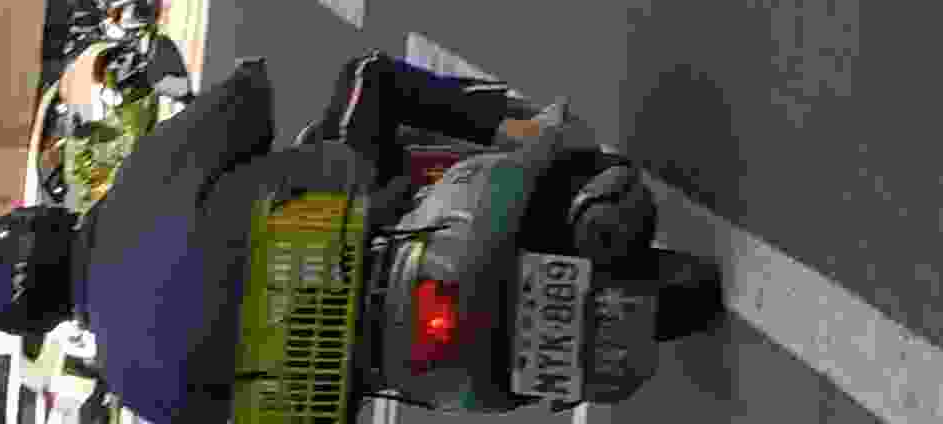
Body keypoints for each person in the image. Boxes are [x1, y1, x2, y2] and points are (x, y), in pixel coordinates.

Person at [63, 53, 721, 424]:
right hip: (365, 225)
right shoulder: (140, 181)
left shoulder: (135, 386)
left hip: (382, 368)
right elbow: (252, 95)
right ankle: (534, 137)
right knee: (368, 76)